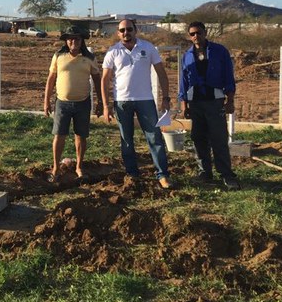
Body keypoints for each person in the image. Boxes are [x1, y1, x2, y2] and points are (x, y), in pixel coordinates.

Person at [101, 19, 173, 189]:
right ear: (118, 33)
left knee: (154, 137)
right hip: (122, 102)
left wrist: (166, 98)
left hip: (145, 100)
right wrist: (105, 105)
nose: (126, 33)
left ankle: (162, 175)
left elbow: (161, 73)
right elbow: (104, 80)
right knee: (126, 140)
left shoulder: (148, 47)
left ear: (135, 30)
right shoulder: (113, 51)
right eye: (122, 30)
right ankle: (132, 174)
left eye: (129, 29)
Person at [179, 21, 240, 189]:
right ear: (189, 36)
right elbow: (183, 82)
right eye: (192, 34)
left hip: (215, 102)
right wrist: (184, 104)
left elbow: (228, 77)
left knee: (219, 138)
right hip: (195, 103)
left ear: (205, 33)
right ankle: (204, 172)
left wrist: (230, 100)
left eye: (198, 32)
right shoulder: (187, 55)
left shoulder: (219, 51)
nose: (196, 36)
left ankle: (226, 174)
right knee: (198, 138)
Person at [43, 25, 103, 181]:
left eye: (76, 38)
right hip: (62, 103)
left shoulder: (89, 58)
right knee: (59, 135)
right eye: (70, 39)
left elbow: (97, 80)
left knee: (81, 136)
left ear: (82, 40)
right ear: (66, 41)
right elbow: (51, 80)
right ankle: (56, 168)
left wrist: (101, 102)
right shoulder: (58, 56)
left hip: (83, 103)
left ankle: (79, 167)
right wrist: (46, 101)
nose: (73, 41)